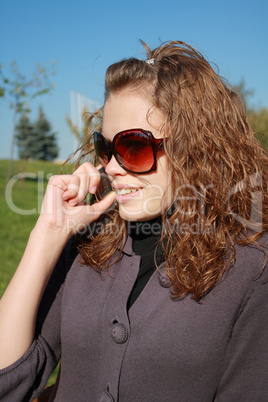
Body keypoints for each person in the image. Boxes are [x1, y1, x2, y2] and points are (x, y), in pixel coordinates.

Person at [0, 40, 268, 402]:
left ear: (195, 147)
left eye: (133, 147)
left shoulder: (251, 268)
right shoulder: (89, 244)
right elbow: (10, 383)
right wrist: (47, 236)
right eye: (106, 148)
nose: (110, 166)